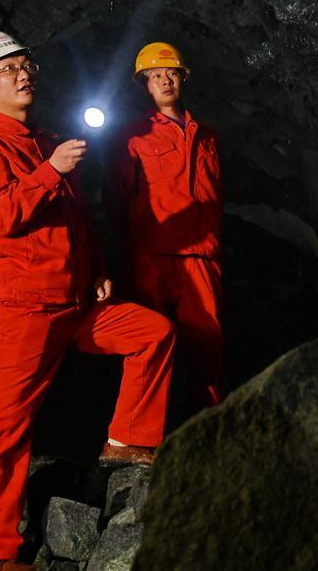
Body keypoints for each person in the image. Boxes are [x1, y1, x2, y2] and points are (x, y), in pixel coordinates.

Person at [0, 30, 176, 571]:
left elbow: (79, 219)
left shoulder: (46, 140)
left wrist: (98, 269)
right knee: (3, 425)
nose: (23, 74)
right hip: (24, 306)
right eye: (7, 69)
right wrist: (50, 171)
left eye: (25, 64)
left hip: (76, 303)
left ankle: (127, 440)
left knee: (154, 333)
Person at [105, 42, 224, 415]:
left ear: (183, 77)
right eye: (155, 75)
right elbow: (117, 197)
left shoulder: (207, 136)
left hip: (202, 257)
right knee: (151, 349)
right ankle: (145, 434)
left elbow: (217, 195)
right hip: (152, 258)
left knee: (208, 349)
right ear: (145, 84)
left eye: (171, 73)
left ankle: (209, 425)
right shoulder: (132, 136)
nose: (164, 80)